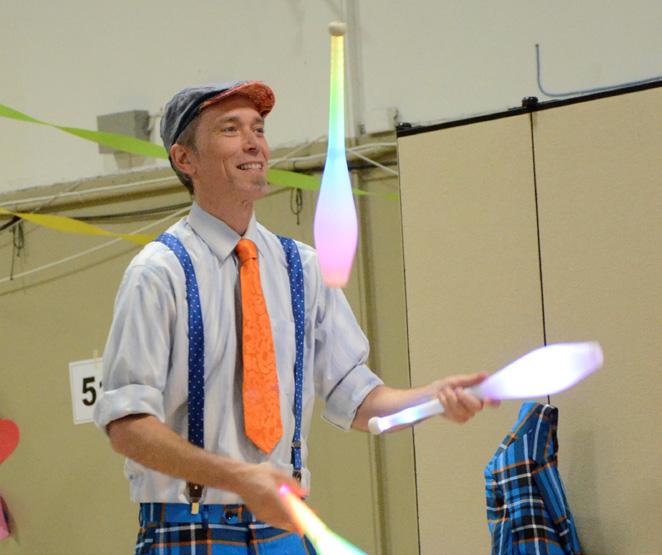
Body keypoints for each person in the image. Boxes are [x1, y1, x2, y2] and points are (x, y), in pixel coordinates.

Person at [94, 80, 495, 554]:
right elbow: (127, 425)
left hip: (283, 529)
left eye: (258, 129)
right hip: (190, 527)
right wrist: (241, 478)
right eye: (230, 129)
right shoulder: (158, 273)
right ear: (185, 159)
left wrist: (433, 398)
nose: (254, 143)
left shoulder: (301, 267)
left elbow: (358, 397)